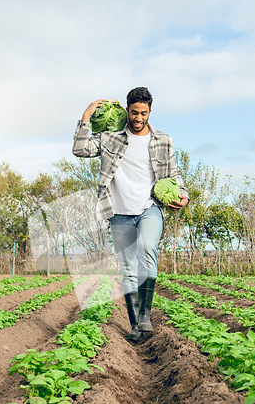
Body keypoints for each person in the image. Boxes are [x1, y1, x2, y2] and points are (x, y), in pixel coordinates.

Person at [72, 87, 189, 341]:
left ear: (150, 112)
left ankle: (145, 315)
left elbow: (174, 172)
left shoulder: (162, 140)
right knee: (128, 270)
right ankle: (136, 326)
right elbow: (80, 150)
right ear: (127, 110)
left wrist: (183, 194)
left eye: (144, 113)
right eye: (134, 112)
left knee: (147, 247)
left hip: (149, 208)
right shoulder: (110, 138)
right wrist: (87, 114)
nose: (138, 118)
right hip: (118, 213)